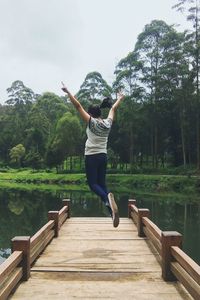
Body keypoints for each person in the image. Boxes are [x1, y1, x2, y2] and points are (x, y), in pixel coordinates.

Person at [61, 82, 124, 227]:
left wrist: (68, 91)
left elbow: (78, 106)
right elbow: (113, 108)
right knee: (102, 184)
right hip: (103, 156)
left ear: (90, 114)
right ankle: (111, 210)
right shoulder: (107, 123)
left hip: (91, 156)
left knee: (92, 184)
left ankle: (107, 200)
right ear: (100, 113)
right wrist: (120, 98)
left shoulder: (91, 122)